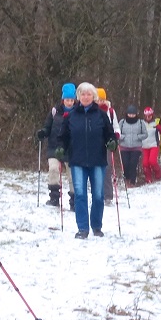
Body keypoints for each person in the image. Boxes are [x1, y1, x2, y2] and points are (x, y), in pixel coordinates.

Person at [57, 82, 117, 238]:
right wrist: (61, 148)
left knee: (98, 195)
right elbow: (63, 136)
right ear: (78, 96)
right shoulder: (70, 116)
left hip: (97, 160)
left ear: (93, 97)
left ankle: (96, 226)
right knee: (80, 195)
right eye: (82, 94)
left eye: (88, 94)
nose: (85, 97)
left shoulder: (101, 115)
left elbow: (110, 134)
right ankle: (83, 228)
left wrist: (111, 142)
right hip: (77, 160)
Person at [36, 83, 75, 207]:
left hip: (71, 148)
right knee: (53, 169)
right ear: (63, 100)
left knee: (73, 174)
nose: (70, 102)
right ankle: (54, 197)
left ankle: (75, 200)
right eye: (67, 100)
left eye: (72, 100)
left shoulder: (78, 113)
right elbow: (48, 126)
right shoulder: (55, 111)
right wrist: (43, 132)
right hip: (54, 146)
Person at [97, 87, 118, 205]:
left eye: (102, 100)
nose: (100, 102)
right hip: (94, 143)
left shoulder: (110, 111)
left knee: (107, 167)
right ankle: (97, 193)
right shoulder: (91, 110)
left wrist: (116, 134)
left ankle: (108, 195)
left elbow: (115, 125)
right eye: (98, 100)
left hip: (107, 143)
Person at [117, 105, 146, 186]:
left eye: (133, 114)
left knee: (133, 164)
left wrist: (138, 137)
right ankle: (127, 179)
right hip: (124, 147)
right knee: (125, 164)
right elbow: (117, 133)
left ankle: (132, 182)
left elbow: (145, 134)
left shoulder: (141, 122)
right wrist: (122, 137)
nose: (131, 116)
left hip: (136, 147)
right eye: (130, 114)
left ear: (136, 114)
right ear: (127, 114)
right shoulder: (122, 122)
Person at [141, 106, 161, 183]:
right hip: (144, 145)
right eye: (146, 116)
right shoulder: (141, 122)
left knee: (152, 161)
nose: (148, 118)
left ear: (152, 115)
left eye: (149, 116)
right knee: (145, 163)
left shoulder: (156, 122)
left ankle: (158, 173)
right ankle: (148, 177)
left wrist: (159, 128)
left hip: (154, 144)